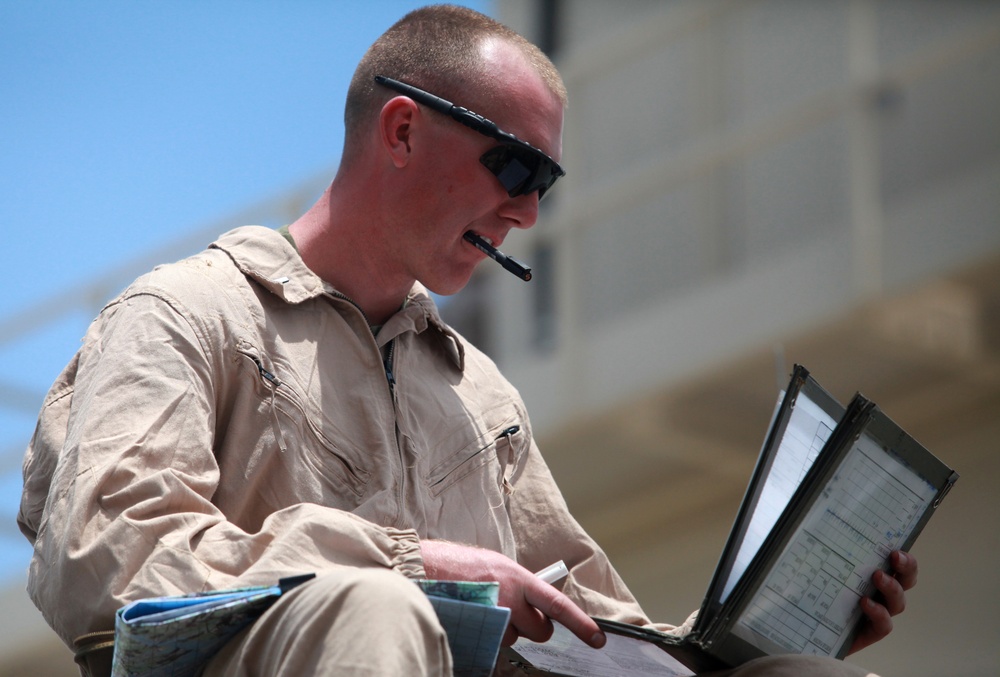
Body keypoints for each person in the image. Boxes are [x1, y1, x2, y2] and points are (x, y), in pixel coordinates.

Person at [18, 5, 917, 676]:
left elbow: (595, 627)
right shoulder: (185, 313)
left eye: (546, 184)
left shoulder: (480, 394)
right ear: (403, 129)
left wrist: (782, 623)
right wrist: (408, 564)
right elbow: (104, 560)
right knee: (375, 608)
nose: (527, 210)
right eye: (516, 166)